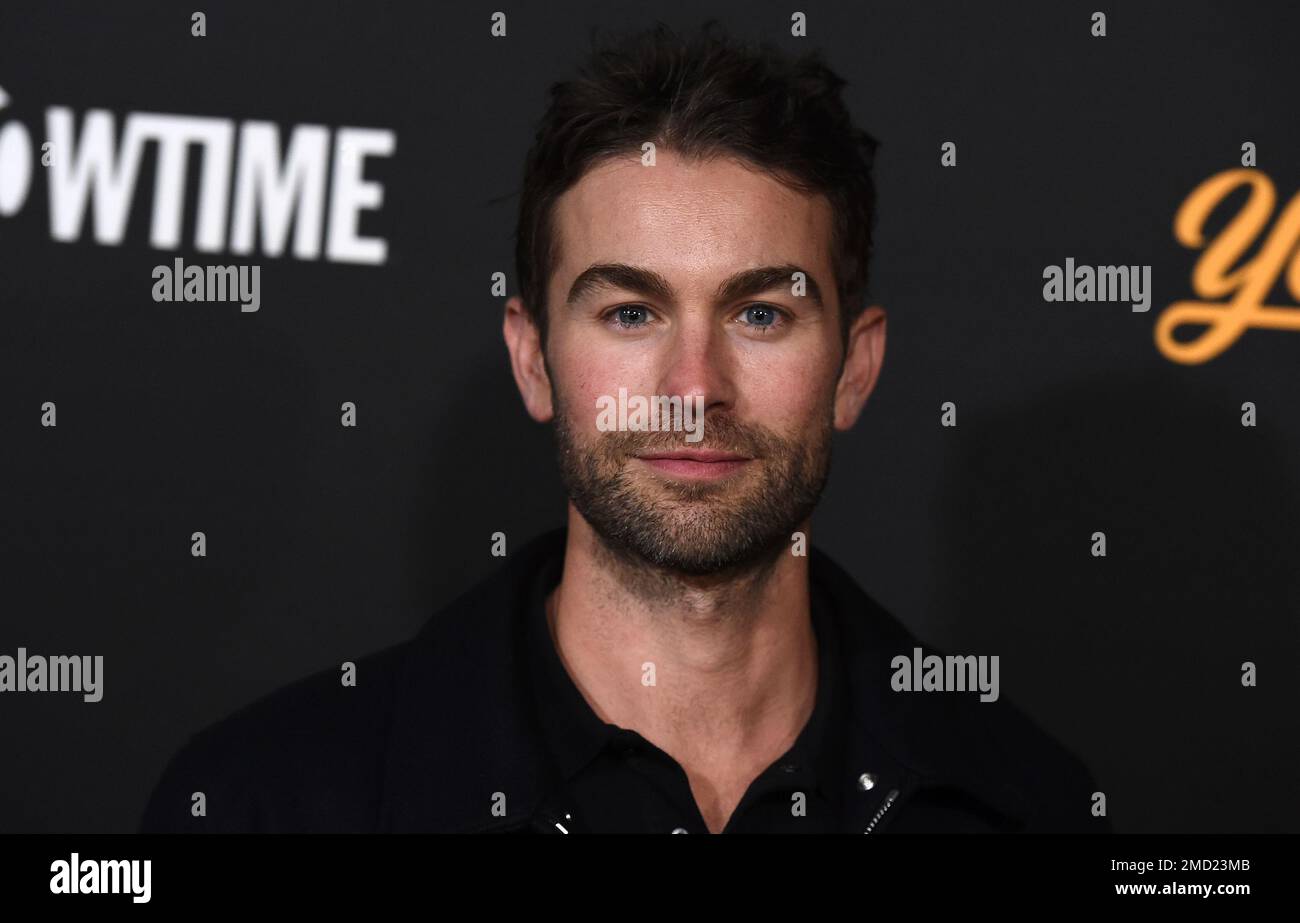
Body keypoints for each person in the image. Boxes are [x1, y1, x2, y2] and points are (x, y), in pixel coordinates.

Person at [140, 21, 1106, 834]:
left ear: (854, 368)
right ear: (533, 359)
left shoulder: (1029, 805)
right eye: (631, 313)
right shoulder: (263, 804)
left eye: (761, 313)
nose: (694, 389)